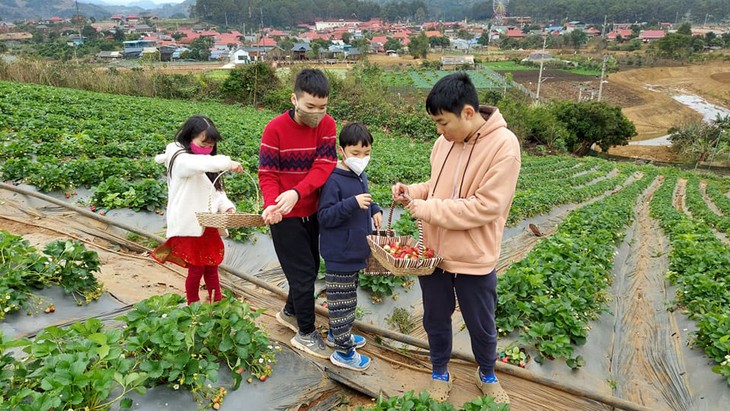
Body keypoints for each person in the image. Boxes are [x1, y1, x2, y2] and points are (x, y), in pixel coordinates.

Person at [391, 72, 520, 404]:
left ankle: (486, 373)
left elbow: (485, 207)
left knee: (481, 322)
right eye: (435, 123)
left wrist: (429, 208)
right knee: (434, 318)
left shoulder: (504, 146)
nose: (439, 130)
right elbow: (437, 188)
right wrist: (413, 192)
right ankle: (439, 371)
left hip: (474, 257)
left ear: (467, 112)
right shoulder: (443, 143)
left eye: (442, 122)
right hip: (434, 254)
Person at [258, 69, 337, 359]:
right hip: (285, 215)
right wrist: (272, 204)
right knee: (303, 275)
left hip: (312, 210)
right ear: (294, 99)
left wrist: (297, 192)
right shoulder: (274, 129)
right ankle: (305, 333)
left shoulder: (327, 125)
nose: (316, 113)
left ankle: (291, 312)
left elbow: (324, 165)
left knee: (311, 268)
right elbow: (267, 174)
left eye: (322, 107)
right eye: (309, 107)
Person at [152, 115, 243, 305]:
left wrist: (227, 207)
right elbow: (198, 163)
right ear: (189, 138)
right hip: (190, 226)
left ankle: (215, 300)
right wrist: (228, 163)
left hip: (208, 224)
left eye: (211, 145)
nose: (207, 149)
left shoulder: (206, 163)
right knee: (197, 268)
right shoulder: (180, 161)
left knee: (211, 266)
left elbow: (216, 191)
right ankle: (192, 304)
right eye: (203, 143)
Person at [318, 123, 382, 371]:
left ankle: (337, 334)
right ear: (342, 151)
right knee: (340, 304)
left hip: (355, 251)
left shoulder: (359, 175)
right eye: (356, 153)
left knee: (349, 299)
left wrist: (374, 209)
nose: (362, 159)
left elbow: (364, 197)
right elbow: (325, 216)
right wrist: (352, 204)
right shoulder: (333, 180)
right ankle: (344, 352)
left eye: (366, 153)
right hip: (339, 254)